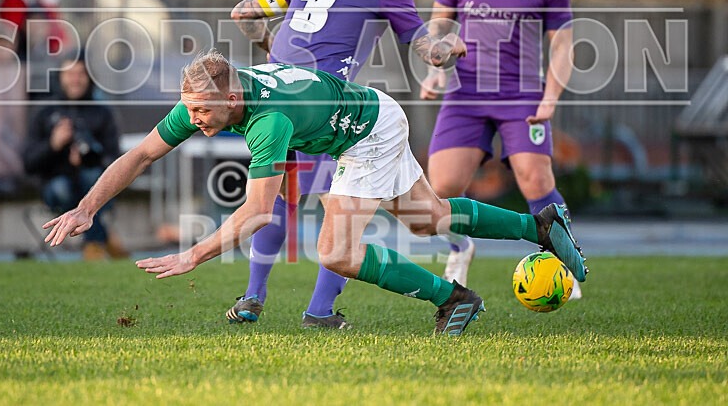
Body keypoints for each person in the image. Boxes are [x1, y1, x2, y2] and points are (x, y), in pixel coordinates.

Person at [42, 52, 588, 336]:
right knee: (429, 218)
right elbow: (140, 155)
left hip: (366, 132)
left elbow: (258, 211)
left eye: (204, 111)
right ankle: (537, 227)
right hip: (373, 111)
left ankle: (453, 300)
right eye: (190, 110)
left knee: (335, 252)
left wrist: (192, 255)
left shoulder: (266, 123)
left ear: (233, 97)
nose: (195, 120)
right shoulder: (208, 100)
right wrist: (86, 208)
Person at [227, 0, 450, 328]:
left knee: (279, 198)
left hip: (275, 97)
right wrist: (452, 46)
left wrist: (271, 51)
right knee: (344, 213)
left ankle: (253, 296)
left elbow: (243, 12)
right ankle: (319, 311)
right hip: (326, 108)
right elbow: (429, 50)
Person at [421, 0, 580, 297]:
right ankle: (461, 245)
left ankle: (564, 264)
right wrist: (438, 66)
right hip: (466, 92)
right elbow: (439, 25)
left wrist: (550, 97)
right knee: (441, 187)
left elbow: (563, 44)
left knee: (534, 178)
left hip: (522, 96)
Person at [23, 58, 128, 260]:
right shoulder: (45, 113)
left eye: (80, 73)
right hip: (54, 187)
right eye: (70, 74)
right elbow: (29, 163)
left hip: (94, 186)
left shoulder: (102, 113)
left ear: (89, 78)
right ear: (60, 77)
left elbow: (115, 159)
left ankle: (95, 243)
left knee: (92, 178)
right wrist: (53, 145)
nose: (75, 79)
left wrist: (89, 159)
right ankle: (100, 239)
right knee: (62, 188)